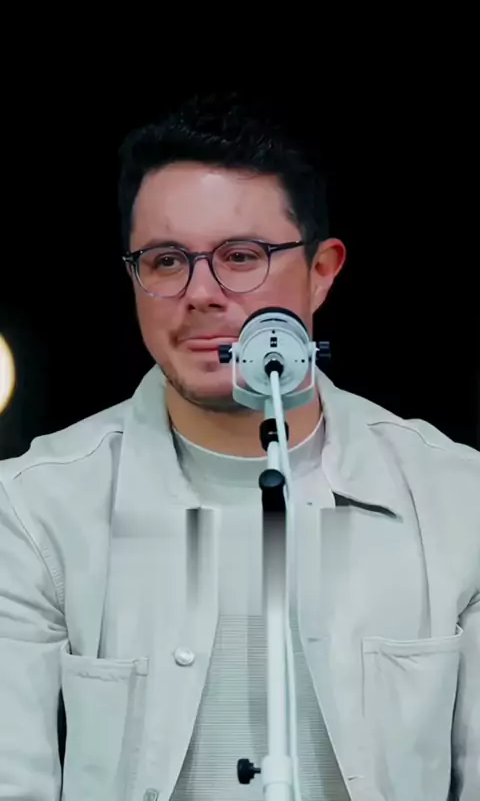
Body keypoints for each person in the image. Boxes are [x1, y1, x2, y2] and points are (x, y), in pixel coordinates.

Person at [0, 93, 478, 801]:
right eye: (166, 261)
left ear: (322, 271)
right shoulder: (35, 507)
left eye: (242, 257)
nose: (201, 293)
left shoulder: (457, 499)